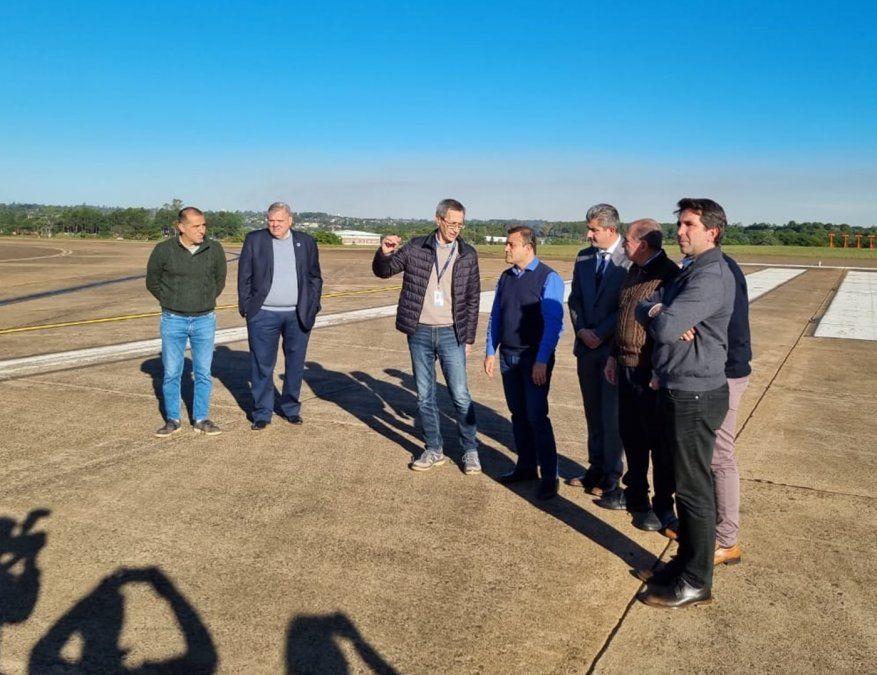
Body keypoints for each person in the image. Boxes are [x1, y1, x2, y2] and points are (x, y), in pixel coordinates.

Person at [634, 198, 736, 609]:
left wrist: (665, 315)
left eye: (689, 224)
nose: (679, 231)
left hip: (695, 393)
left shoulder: (711, 276)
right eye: (679, 224)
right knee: (683, 486)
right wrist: (660, 308)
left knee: (693, 492)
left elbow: (665, 328)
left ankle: (696, 580)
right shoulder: (691, 270)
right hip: (677, 387)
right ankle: (684, 563)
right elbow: (646, 305)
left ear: (712, 231)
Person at [372, 198, 481, 474]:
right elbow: (384, 271)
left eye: (460, 224)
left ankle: (470, 450)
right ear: (438, 220)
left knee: (460, 395)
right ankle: (434, 448)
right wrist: (384, 253)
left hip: (452, 333)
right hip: (419, 331)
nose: (456, 229)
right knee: (424, 396)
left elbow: (472, 299)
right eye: (452, 223)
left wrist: (468, 337)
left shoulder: (467, 254)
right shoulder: (416, 247)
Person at [603, 219, 680, 532]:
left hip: (650, 371)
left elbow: (671, 329)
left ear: (643, 245)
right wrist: (613, 355)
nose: (623, 245)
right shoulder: (633, 270)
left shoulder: (668, 275)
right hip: (625, 364)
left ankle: (662, 506)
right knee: (631, 434)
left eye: (628, 241)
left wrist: (660, 370)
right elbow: (623, 315)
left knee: (657, 442)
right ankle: (636, 494)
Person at [484, 227, 565, 500]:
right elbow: (496, 315)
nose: (506, 248)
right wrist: (490, 350)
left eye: (511, 244)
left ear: (528, 248)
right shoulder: (505, 277)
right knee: (518, 414)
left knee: (536, 416)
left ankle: (550, 476)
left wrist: (542, 360)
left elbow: (553, 325)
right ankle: (526, 467)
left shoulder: (548, 277)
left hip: (533, 358)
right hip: (508, 356)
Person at [237, 202, 323, 430]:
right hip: (263, 314)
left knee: (295, 364)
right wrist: (247, 308)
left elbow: (315, 277)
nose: (274, 225)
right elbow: (244, 276)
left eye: (279, 221)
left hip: (297, 314)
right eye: (271, 220)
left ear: (290, 220)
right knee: (262, 365)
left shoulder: (306, 242)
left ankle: (291, 408)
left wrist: (313, 306)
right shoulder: (255, 240)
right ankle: (262, 413)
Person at [567, 203, 630, 502]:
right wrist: (581, 330)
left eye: (594, 230)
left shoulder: (628, 259)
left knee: (612, 416)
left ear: (611, 229)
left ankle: (611, 475)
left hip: (611, 350)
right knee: (592, 412)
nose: (588, 235)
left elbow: (627, 306)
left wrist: (600, 333)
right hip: (586, 348)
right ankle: (594, 467)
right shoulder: (583, 257)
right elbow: (575, 300)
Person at [146, 207, 226, 437]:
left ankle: (201, 418)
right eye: (196, 226)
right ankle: (173, 419)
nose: (202, 230)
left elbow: (219, 281)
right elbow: (152, 281)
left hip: (204, 319)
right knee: (172, 372)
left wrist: (204, 300)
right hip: (173, 319)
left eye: (204, 225)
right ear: (181, 227)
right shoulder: (163, 250)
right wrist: (171, 300)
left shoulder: (214, 249)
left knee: (203, 372)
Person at [712, 253, 752, 566]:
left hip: (725, 373)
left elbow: (734, 329)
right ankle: (708, 530)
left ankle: (727, 541)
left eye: (688, 228)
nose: (680, 233)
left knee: (720, 457)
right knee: (705, 457)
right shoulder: (699, 267)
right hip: (711, 373)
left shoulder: (722, 269)